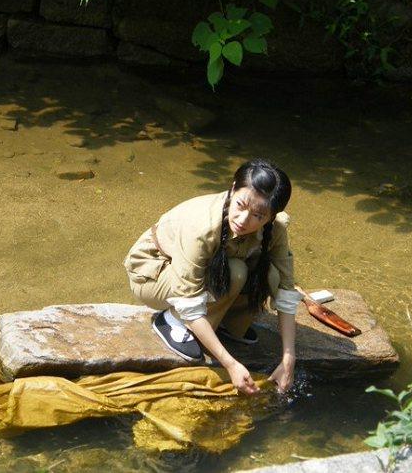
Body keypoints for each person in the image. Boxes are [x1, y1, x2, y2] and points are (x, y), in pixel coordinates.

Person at [123, 159, 302, 395]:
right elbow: (189, 301)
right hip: (154, 274)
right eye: (240, 205)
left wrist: (289, 359)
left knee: (271, 275)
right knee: (236, 272)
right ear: (232, 188)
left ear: (271, 216)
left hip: (208, 272)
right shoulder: (202, 226)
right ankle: (171, 321)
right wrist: (230, 364)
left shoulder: (276, 228)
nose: (243, 220)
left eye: (258, 216)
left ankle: (226, 324)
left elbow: (287, 290)